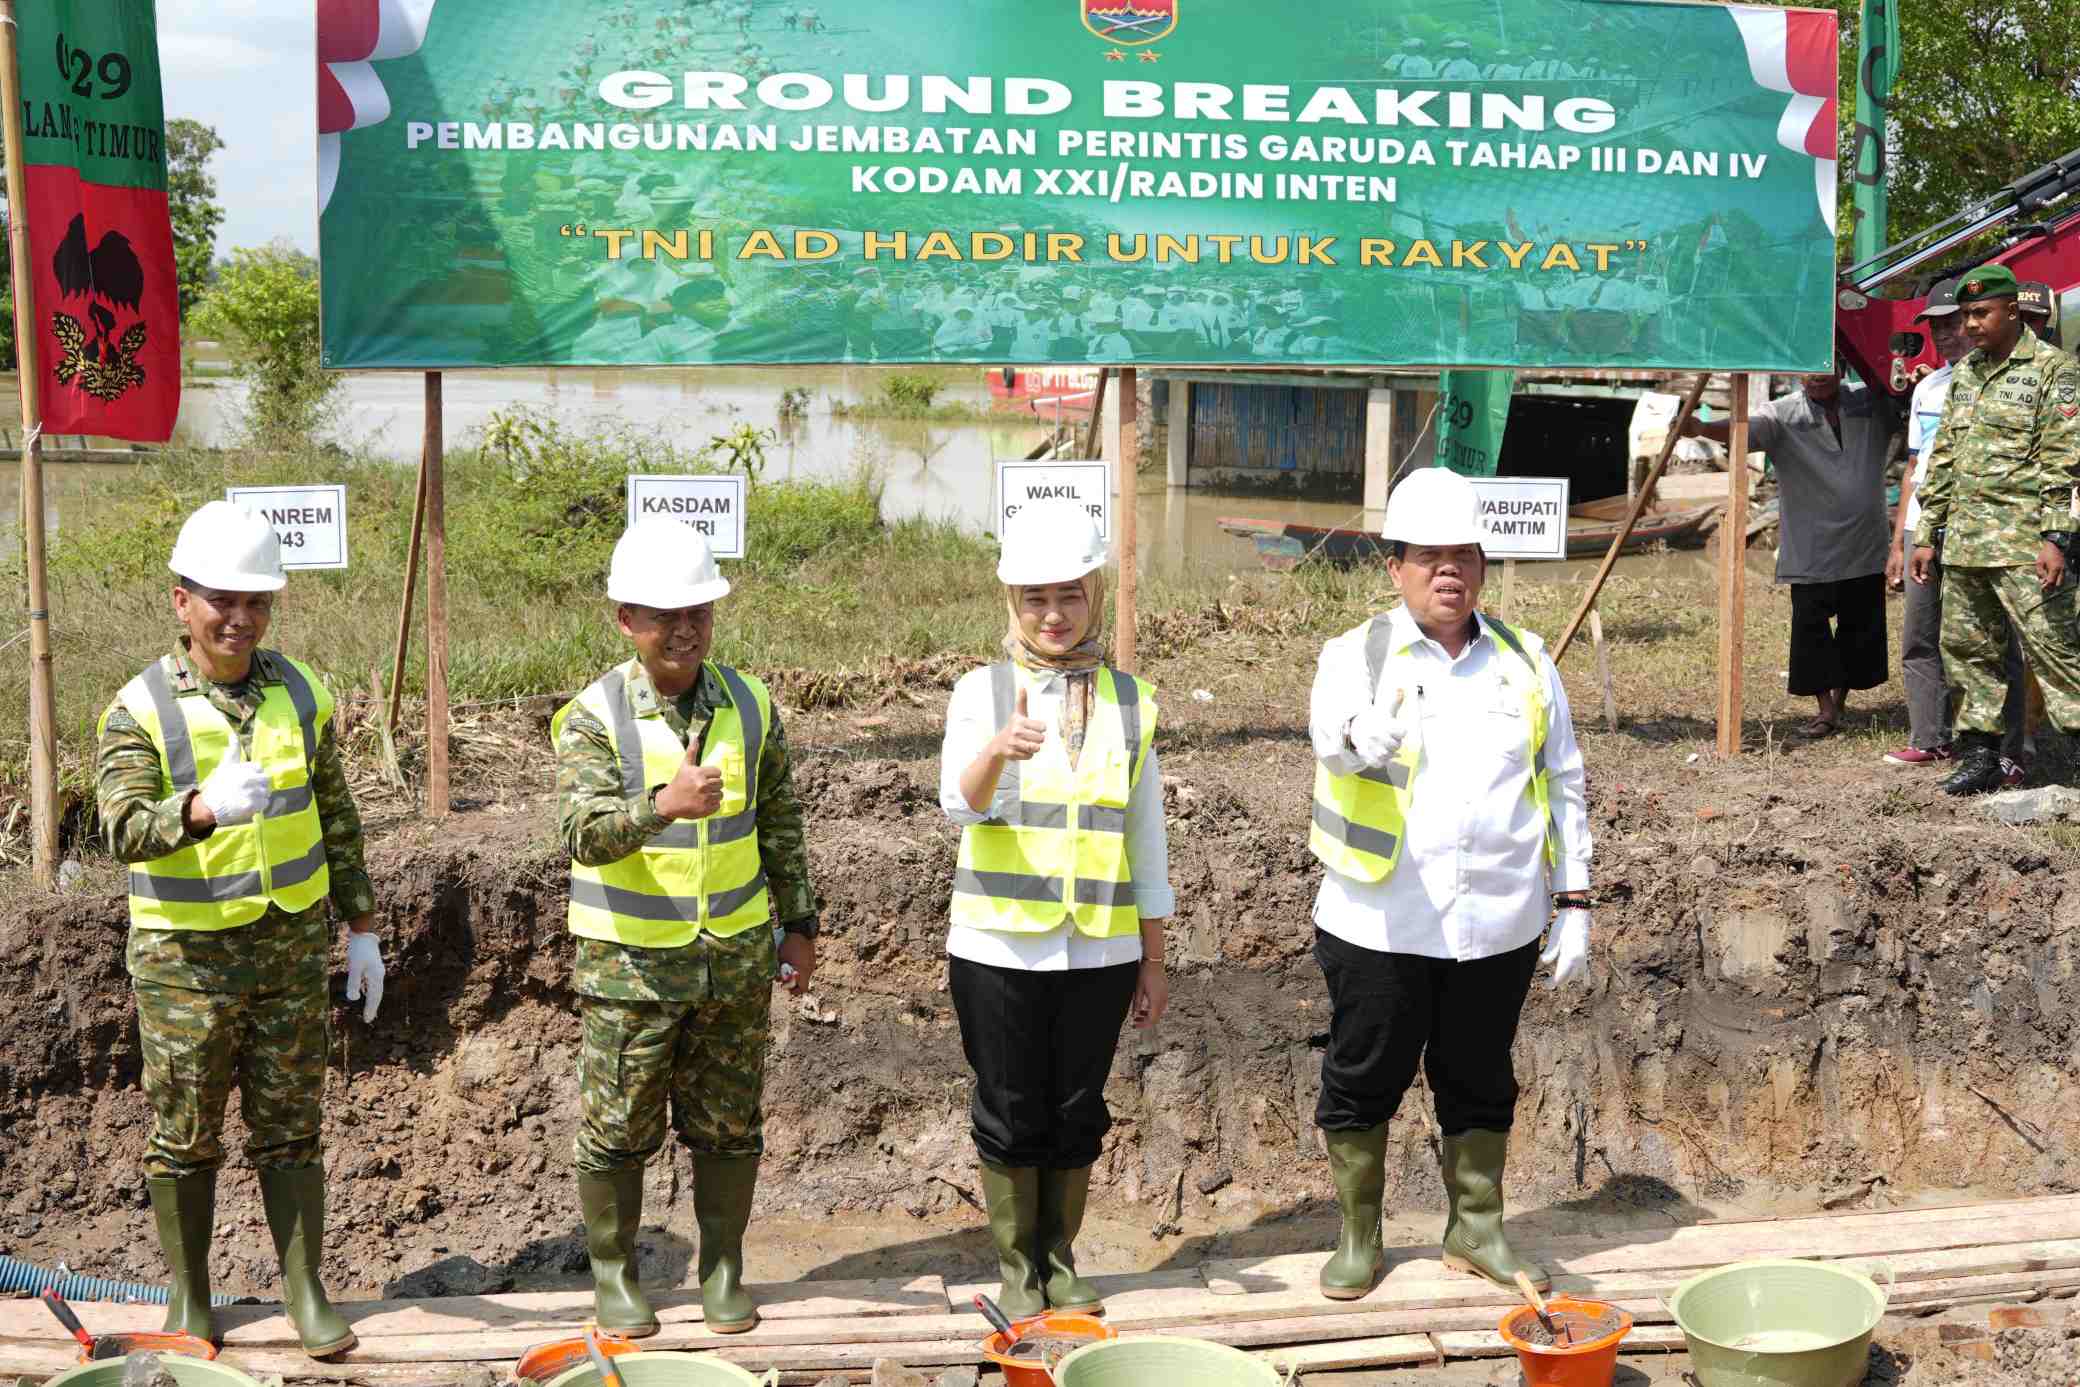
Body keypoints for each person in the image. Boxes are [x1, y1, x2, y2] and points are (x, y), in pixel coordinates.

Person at [96, 502, 383, 1357]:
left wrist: (362, 924)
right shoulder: (138, 708)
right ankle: (191, 1299)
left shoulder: (300, 691)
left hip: (289, 950)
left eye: (257, 600)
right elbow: (118, 827)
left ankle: (304, 1290)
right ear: (181, 601)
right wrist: (198, 810)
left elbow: (336, 814)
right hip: (185, 962)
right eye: (221, 599)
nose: (240, 618)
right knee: (185, 1132)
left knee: (292, 1125)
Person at [1306, 468, 1592, 1300]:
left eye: (1463, 555)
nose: (1448, 572)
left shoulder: (1526, 661)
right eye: (1428, 556)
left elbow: (1563, 779)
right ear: (1393, 566)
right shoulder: (1354, 655)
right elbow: (1332, 735)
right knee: (1364, 1075)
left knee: (1479, 1075)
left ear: (1482, 563)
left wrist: (1574, 901)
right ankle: (1360, 1235)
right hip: (1380, 922)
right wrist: (1365, 733)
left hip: (1499, 922)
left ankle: (1475, 1227)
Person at [553, 517, 819, 1336]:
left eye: (698, 608)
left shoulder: (751, 703)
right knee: (617, 1126)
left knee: (730, 1123)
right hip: (632, 968)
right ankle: (615, 1277)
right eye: (663, 612)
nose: (685, 627)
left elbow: (779, 818)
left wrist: (799, 921)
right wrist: (659, 806)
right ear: (624, 620)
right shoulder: (594, 716)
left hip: (733, 964)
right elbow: (582, 833)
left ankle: (723, 1268)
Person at [938, 504, 1174, 1317]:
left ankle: (1060, 1258)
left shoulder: (1134, 702)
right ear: (1011, 601)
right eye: (1035, 597)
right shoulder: (982, 691)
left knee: (1078, 1107)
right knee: (1009, 1104)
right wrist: (995, 751)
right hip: (999, 946)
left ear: (1095, 596)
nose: (1052, 614)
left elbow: (1146, 838)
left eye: (1069, 595)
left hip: (1099, 951)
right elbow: (958, 807)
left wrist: (1153, 956)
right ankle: (1016, 1266)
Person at [1911, 264, 2080, 794]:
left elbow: (2063, 458)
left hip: (2024, 545)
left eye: (1980, 312)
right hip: (1963, 543)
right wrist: (1926, 534)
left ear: (2012, 309)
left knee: (2057, 650)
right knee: (1968, 652)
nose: (1971, 324)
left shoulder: (2055, 370)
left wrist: (2056, 537)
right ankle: (1981, 757)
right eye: (1966, 315)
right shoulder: (1965, 374)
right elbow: (1944, 458)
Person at [1684, 369, 1896, 737]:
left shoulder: (1869, 402)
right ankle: (1824, 708)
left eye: (1826, 368)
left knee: (1860, 625)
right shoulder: (1782, 413)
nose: (1817, 377)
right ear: (1797, 376)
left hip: (1865, 539)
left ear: (1842, 369)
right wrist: (1700, 428)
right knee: (1810, 627)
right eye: (1808, 371)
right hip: (1811, 543)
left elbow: (1908, 407)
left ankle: (1840, 701)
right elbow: (1743, 429)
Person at [1885, 277, 2029, 778]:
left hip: (1986, 527)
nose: (1948, 334)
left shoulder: (2015, 379)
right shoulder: (1928, 387)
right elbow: (1915, 466)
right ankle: (1930, 738)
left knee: (1994, 640)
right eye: (1938, 326)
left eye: (1955, 322)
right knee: (1920, 635)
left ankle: (2006, 749)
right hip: (1927, 525)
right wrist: (1900, 540)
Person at [2020, 280, 2063, 350]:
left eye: (2032, 319)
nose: (2024, 326)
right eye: (2019, 318)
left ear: (2047, 322)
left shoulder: (2061, 360)